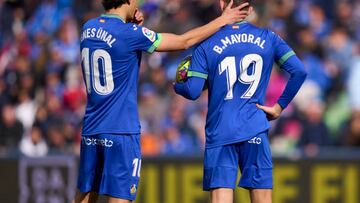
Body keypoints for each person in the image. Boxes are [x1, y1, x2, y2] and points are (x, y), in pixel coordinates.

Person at [74, 0, 250, 202]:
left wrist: (131, 26)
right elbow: (184, 41)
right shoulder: (131, 34)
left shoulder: (88, 28)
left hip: (92, 128)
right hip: (121, 130)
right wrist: (223, 20)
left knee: (85, 195)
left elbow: (116, 48)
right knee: (120, 197)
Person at [173, 0, 307, 203]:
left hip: (220, 131)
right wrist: (279, 107)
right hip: (254, 127)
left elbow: (192, 91)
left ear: (221, 5)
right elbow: (299, 71)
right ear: (250, 9)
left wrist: (178, 84)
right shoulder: (269, 38)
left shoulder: (206, 44)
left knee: (221, 197)